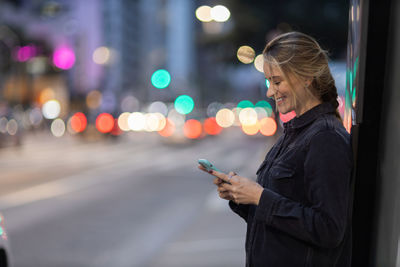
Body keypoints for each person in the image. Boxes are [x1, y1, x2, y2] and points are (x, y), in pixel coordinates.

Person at [198, 32, 353, 266]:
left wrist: (260, 197)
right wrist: (242, 196)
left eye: (277, 81)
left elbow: (329, 229)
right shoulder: (295, 132)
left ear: (306, 77)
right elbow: (280, 219)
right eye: (269, 82)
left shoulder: (325, 138)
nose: (270, 92)